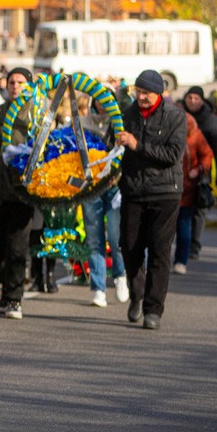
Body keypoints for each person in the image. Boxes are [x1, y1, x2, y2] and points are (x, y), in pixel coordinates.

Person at [116, 70, 186, 330]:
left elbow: (173, 153)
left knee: (159, 251)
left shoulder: (175, 116)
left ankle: (153, 309)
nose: (142, 97)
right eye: (139, 91)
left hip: (165, 192)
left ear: (159, 94)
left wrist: (138, 146)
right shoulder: (126, 114)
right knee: (129, 246)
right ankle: (137, 295)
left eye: (147, 93)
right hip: (133, 191)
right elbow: (113, 147)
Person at [0, 68, 37, 319]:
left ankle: (13, 299)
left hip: (21, 194)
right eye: (11, 82)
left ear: (30, 86)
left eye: (21, 82)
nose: (15, 86)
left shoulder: (39, 116)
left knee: (16, 248)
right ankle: (8, 285)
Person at [80, 96, 127, 308]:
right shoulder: (83, 122)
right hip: (91, 187)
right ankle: (98, 288)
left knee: (116, 237)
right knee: (94, 239)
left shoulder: (119, 124)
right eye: (98, 100)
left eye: (106, 100)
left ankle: (120, 275)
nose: (101, 104)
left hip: (114, 187)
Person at [182, 86, 217, 253]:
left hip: (202, 171)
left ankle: (194, 242)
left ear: (202, 100)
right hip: (182, 171)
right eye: (189, 98)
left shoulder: (210, 119)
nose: (192, 101)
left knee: (199, 208)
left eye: (196, 98)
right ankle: (183, 242)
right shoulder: (179, 116)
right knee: (183, 210)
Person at [175, 115, 214, 274]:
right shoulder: (165, 131)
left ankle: (180, 261)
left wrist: (198, 170)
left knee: (184, 226)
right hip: (168, 187)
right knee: (164, 230)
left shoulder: (195, 135)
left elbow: (207, 155)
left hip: (187, 190)